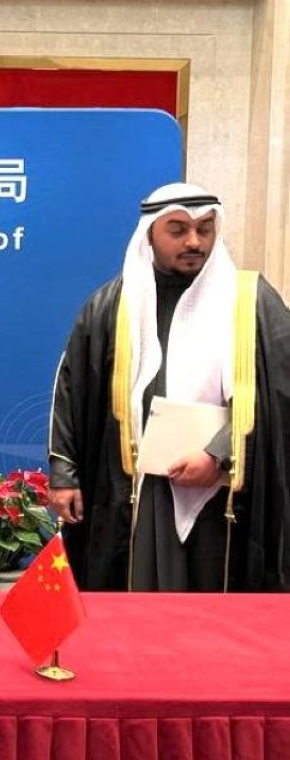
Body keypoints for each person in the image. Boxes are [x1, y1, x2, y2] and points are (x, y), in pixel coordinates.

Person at [49, 182, 288, 591]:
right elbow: (71, 390)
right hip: (136, 487)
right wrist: (64, 474)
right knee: (138, 596)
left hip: (226, 491)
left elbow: (278, 395)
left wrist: (219, 453)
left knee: (214, 597)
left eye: (204, 229)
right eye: (177, 230)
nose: (194, 241)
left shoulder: (252, 301)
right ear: (149, 235)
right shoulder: (111, 306)